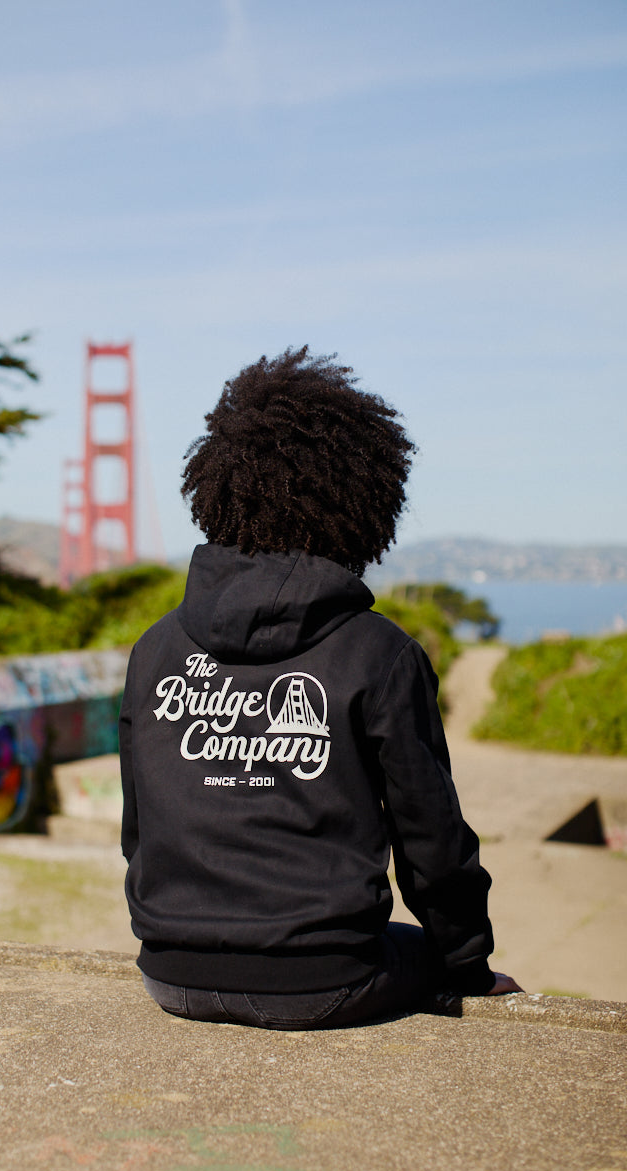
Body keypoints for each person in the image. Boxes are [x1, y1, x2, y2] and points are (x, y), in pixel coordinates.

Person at [119, 346, 522, 1030]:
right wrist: (468, 966)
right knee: (423, 954)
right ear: (365, 501)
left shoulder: (155, 649)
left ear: (218, 488)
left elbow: (142, 829)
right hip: (323, 980)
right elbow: (434, 848)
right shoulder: (379, 653)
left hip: (169, 974)